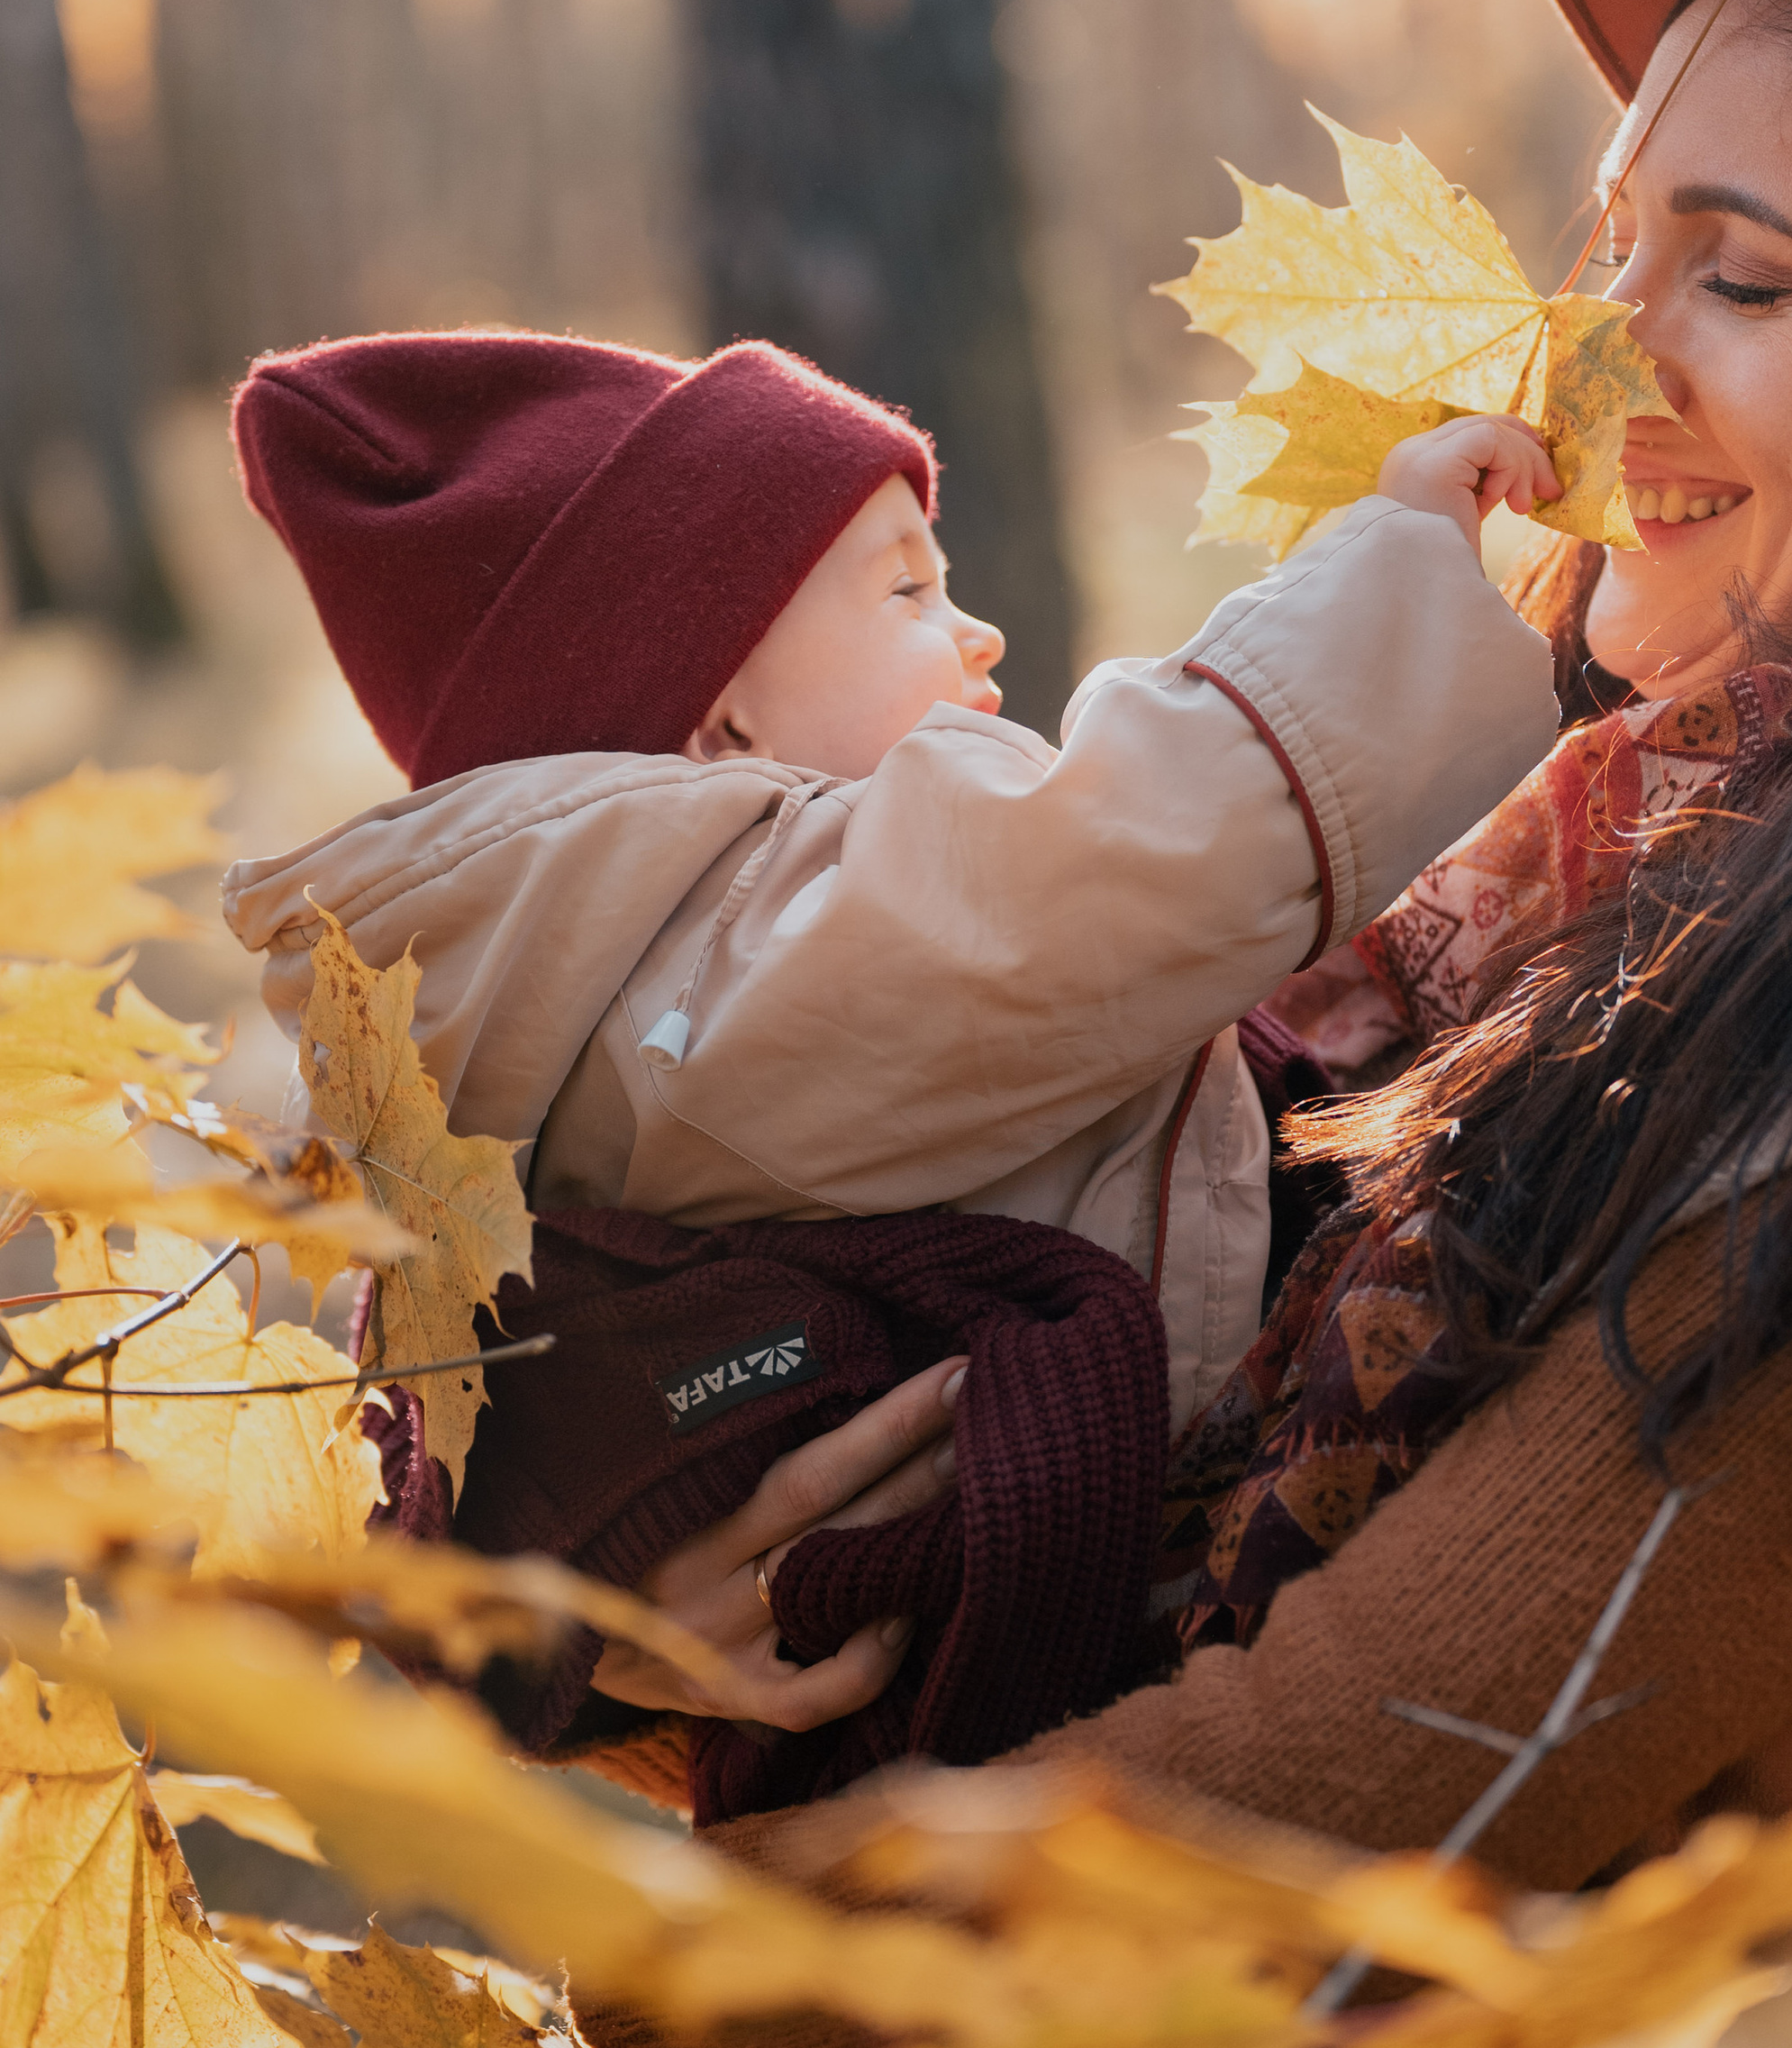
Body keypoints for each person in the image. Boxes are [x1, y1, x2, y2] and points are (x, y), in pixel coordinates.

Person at [612, 0, 1792, 1907]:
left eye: (1744, 283)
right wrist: (663, 1630)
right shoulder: (1552, 865)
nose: (1597, 357)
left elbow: (1340, 1784)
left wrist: (671, 1956)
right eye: (1611, 244)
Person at [220, 324, 1562, 1765]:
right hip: (1108, 1674)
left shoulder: (625, 978)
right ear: (717, 711)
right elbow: (1111, 875)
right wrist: (1401, 569)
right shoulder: (724, 968)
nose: (977, 632)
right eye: (910, 588)